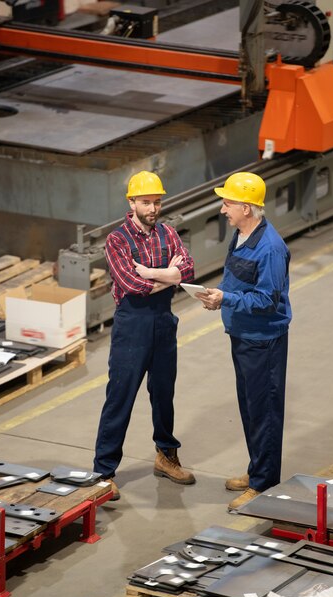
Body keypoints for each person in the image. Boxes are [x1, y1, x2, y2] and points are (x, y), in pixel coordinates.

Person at [94, 170, 196, 500]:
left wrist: (153, 274)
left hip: (164, 323)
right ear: (132, 203)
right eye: (146, 202)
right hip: (132, 327)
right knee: (120, 396)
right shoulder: (118, 240)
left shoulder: (167, 232)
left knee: (164, 393)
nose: (153, 208)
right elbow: (131, 286)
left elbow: (190, 270)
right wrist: (172, 275)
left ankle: (166, 455)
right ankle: (103, 471)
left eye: (156, 202)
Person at [196, 172, 292, 511]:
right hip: (242, 335)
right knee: (250, 409)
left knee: (264, 411)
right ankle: (256, 471)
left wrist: (226, 300)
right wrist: (216, 298)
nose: (223, 209)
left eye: (228, 203)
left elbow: (267, 300)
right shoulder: (240, 235)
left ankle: (264, 483)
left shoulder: (270, 249)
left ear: (247, 208)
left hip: (263, 342)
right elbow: (237, 283)